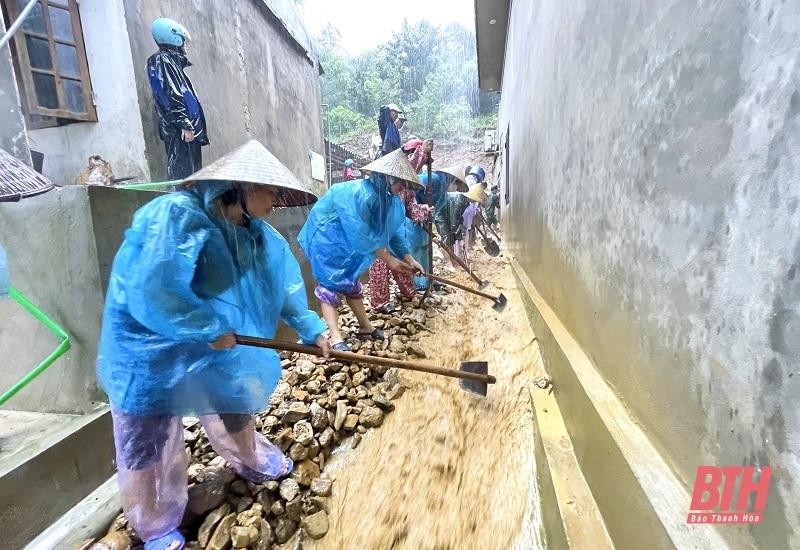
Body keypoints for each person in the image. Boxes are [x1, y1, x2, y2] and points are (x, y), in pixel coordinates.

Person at [96, 140, 329, 550]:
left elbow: (285, 288)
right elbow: (154, 288)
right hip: (148, 342)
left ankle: (249, 457)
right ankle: (152, 519)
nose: (276, 200)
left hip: (213, 337)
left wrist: (313, 328)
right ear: (239, 186)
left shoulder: (257, 235)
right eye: (269, 190)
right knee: (147, 424)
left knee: (234, 392)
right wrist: (205, 326)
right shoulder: (174, 217)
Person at [298, 148, 425, 351]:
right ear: (387, 177)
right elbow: (359, 230)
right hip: (329, 238)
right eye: (400, 181)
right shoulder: (358, 193)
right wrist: (388, 259)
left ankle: (365, 326)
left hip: (350, 243)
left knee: (351, 279)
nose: (403, 187)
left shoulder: (390, 203)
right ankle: (336, 337)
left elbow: (391, 233)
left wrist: (408, 258)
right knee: (330, 283)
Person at [147, 18, 209, 180]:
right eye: (183, 40)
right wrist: (183, 123)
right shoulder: (161, 60)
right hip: (180, 130)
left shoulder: (172, 63)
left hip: (187, 128)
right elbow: (169, 93)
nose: (185, 45)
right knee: (183, 177)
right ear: (174, 37)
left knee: (193, 178)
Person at [435, 177, 488, 270]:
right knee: (446, 238)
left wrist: (460, 238)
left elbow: (458, 219)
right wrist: (461, 239)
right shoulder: (459, 200)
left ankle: (453, 260)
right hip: (441, 215)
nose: (475, 202)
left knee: (451, 238)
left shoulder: (464, 201)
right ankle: (448, 263)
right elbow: (454, 221)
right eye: (476, 200)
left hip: (448, 216)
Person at [462, 166, 486, 250]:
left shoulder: (469, 179)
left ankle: (467, 245)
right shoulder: (472, 181)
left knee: (467, 228)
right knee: (467, 228)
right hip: (467, 208)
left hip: (469, 208)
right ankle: (466, 246)